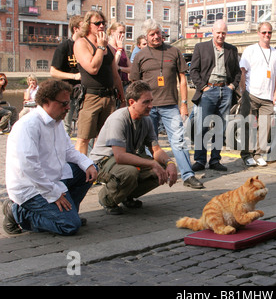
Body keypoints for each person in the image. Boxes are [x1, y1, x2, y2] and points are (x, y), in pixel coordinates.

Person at [2, 79, 98, 236]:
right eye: (63, 103)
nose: (68, 107)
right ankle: (17, 212)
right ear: (47, 101)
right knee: (69, 226)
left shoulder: (57, 122)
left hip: (53, 178)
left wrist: (87, 163)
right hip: (31, 188)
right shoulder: (28, 125)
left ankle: (67, 209)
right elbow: (30, 167)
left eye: (68, 103)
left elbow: (68, 150)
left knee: (89, 170)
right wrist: (52, 193)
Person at [130, 19, 203, 189]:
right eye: (152, 34)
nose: (156, 37)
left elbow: (183, 80)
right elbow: (134, 84)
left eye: (158, 33)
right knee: (146, 144)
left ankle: (187, 175)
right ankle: (150, 175)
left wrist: (184, 103)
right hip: (148, 108)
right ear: (146, 37)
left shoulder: (174, 51)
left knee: (178, 140)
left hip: (170, 105)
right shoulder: (140, 56)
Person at [89, 81, 178, 215]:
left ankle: (125, 195)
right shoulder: (118, 119)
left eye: (151, 101)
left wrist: (170, 163)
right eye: (146, 102)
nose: (151, 106)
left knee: (161, 169)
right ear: (132, 102)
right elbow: (119, 156)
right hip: (103, 162)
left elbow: (156, 150)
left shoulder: (146, 120)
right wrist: (151, 163)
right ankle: (107, 199)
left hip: (122, 160)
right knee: (130, 172)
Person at [189, 19, 241, 172]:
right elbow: (193, 71)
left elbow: (237, 72)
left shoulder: (231, 49)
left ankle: (215, 160)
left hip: (225, 91)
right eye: (218, 32)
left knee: (220, 127)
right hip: (208, 90)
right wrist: (203, 87)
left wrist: (232, 87)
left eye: (223, 33)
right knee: (202, 127)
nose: (221, 36)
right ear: (212, 31)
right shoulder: (201, 47)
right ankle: (199, 160)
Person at [73, 10, 125, 155]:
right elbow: (93, 68)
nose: (101, 26)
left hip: (109, 97)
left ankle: (98, 169)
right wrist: (101, 47)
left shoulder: (109, 48)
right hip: (90, 97)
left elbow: (115, 75)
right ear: (88, 25)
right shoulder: (81, 43)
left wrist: (123, 97)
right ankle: (81, 172)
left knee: (105, 138)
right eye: (97, 23)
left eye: (103, 23)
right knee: (83, 138)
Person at [238, 22, 276, 166]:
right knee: (248, 125)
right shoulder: (250, 50)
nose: (267, 35)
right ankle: (246, 154)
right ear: (258, 33)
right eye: (264, 32)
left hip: (268, 96)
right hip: (251, 93)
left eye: (269, 32)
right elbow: (242, 72)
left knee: (265, 127)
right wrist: (243, 91)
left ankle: (258, 154)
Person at [50, 15, 83, 136]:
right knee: (66, 127)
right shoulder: (64, 47)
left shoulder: (86, 47)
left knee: (84, 128)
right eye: (83, 26)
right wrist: (73, 76)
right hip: (68, 92)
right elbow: (53, 72)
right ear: (76, 29)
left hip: (84, 92)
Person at [107, 22, 132, 92]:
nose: (123, 35)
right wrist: (119, 50)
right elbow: (113, 65)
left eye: (124, 32)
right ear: (112, 32)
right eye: (120, 32)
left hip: (125, 84)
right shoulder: (108, 47)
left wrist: (121, 68)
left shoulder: (122, 48)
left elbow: (131, 68)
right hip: (114, 84)